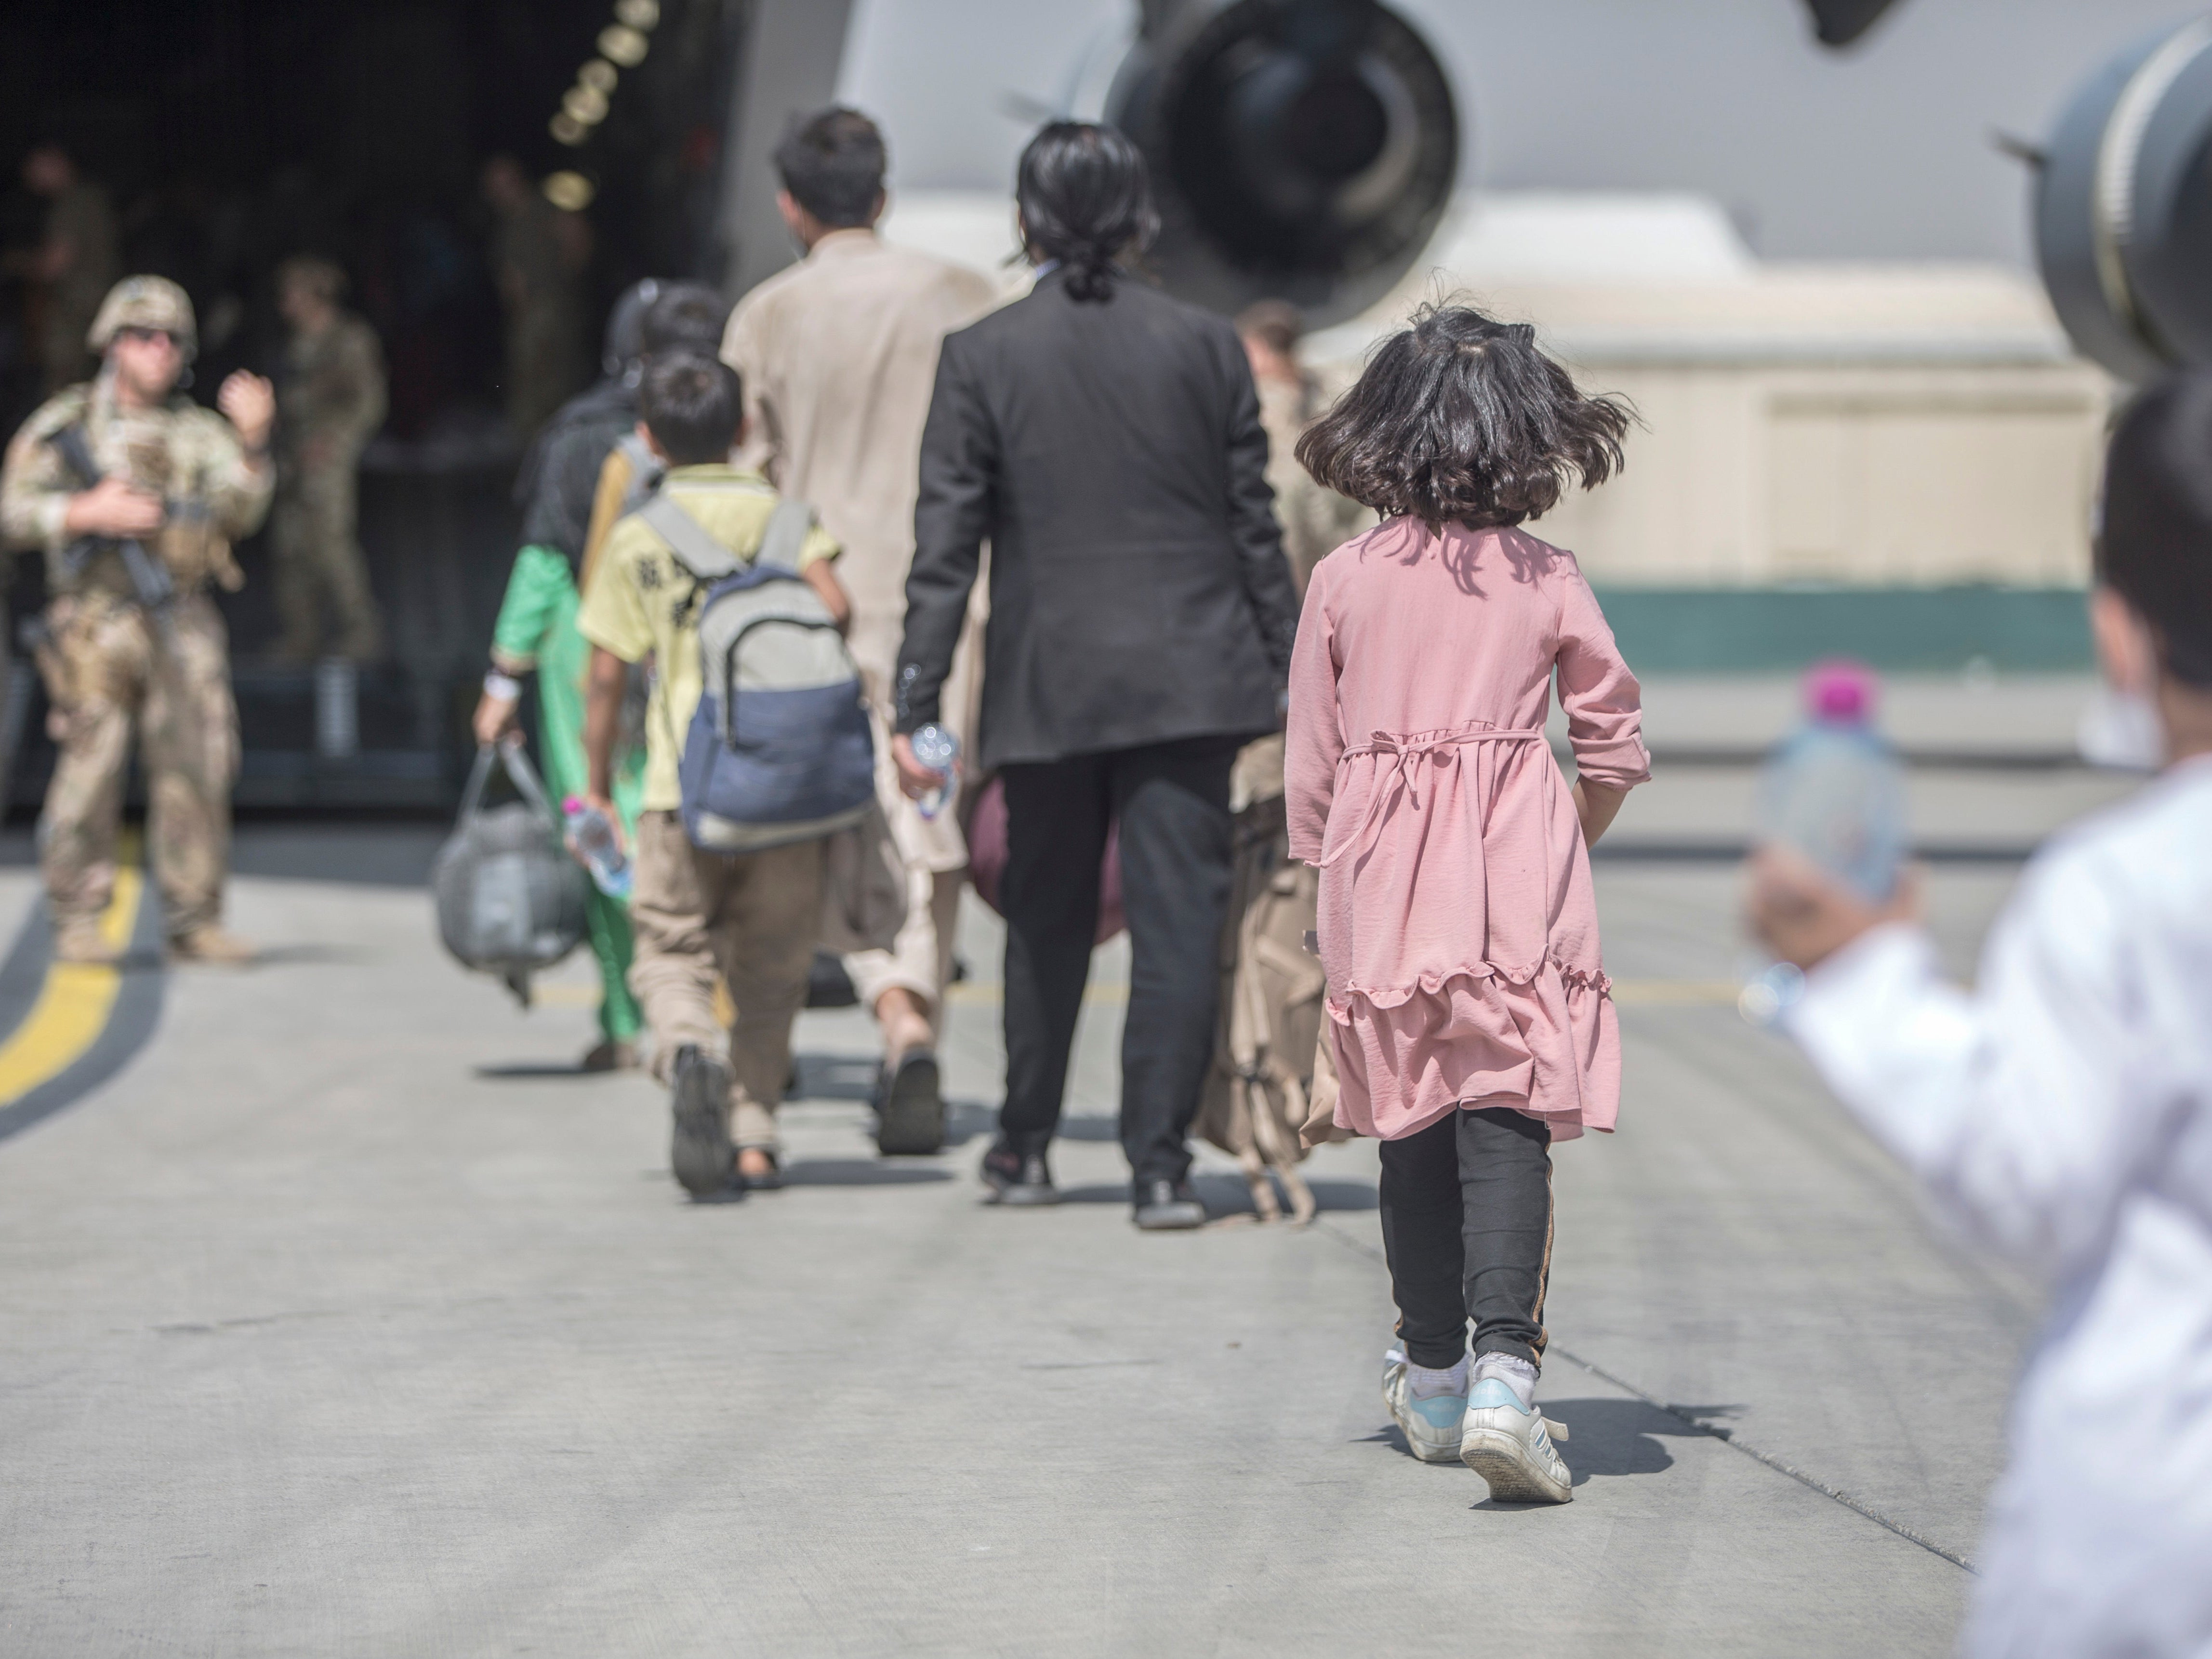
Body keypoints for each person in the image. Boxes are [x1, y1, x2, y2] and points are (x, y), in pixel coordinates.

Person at [1748, 372, 2212, 1657]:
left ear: (2119, 630)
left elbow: (2028, 1177)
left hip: (2152, 1525)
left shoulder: (2114, 891)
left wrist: (1860, 980)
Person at [891, 123, 1301, 1229]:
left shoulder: (981, 353)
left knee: (1043, 919)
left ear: (1023, 222)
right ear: (1140, 221)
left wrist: (915, 699)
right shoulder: (1206, 345)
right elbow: (1251, 531)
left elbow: (944, 547)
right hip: (1192, 673)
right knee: (1177, 926)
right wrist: (1298, 668)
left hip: (1048, 680)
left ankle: (1023, 1146)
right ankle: (1157, 1166)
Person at [1285, 303, 1644, 1501]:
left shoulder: (1342, 577)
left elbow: (1312, 763)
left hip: (1376, 877)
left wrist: (1318, 892)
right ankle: (1505, 1376)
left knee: (1407, 1121)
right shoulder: (1546, 576)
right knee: (1505, 1115)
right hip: (1511, 872)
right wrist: (1555, 835)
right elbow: (1608, 743)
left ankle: (1431, 1376)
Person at [721, 106, 1000, 1155]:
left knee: (846, 817)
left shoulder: (765, 316)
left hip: (820, 604)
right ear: (882, 195)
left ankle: (891, 1005)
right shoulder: (966, 292)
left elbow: (743, 478)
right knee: (933, 805)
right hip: (953, 594)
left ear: (790, 204)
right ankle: (914, 1006)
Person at [577, 350, 848, 1196]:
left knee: (669, 948)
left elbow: (608, 673)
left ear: (649, 440)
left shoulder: (636, 536)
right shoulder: (785, 517)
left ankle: (688, 1046)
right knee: (771, 965)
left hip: (678, 788)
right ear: (742, 430)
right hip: (784, 792)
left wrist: (595, 783)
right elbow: (837, 606)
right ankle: (756, 1131)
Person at [473, 280, 731, 1073]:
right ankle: (712, 1002)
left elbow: (548, 563)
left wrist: (504, 676)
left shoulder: (581, 436)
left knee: (607, 836)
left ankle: (630, 1017)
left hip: (595, 667)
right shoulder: (739, 427)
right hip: (712, 661)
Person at [0, 276, 275, 964]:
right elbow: (13, 511)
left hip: (180, 619)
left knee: (197, 767)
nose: (156, 349)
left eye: (169, 339)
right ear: (111, 343)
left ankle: (193, 917)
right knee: (90, 769)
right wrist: (82, 513)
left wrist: (253, 446)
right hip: (96, 623)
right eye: (141, 335)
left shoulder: (197, 434)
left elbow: (241, 511)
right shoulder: (67, 427)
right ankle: (77, 915)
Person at [269, 255, 387, 664]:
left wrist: (335, 442)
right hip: (291, 457)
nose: (285, 304)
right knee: (289, 546)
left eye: (293, 294)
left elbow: (370, 403)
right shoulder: (294, 344)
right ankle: (302, 637)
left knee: (331, 545)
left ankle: (362, 636)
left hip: (329, 458)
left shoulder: (350, 340)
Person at [1234, 300, 1372, 598]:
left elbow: (1287, 493)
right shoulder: (1333, 393)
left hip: (1300, 554)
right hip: (1337, 548)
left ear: (1258, 349)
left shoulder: (1264, 404)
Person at [481, 156, 588, 440]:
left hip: (547, 308)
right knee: (534, 384)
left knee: (545, 384)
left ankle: (545, 446)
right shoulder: (510, 221)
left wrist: (560, 281)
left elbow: (577, 241)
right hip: (535, 311)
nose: (495, 193)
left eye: (499, 184)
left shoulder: (544, 208)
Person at [13, 143, 119, 395]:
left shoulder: (71, 203)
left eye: (34, 167)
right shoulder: (94, 197)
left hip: (76, 314)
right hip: (102, 310)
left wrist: (16, 264)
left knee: (63, 392)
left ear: (55, 159)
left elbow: (53, 267)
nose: (30, 178)